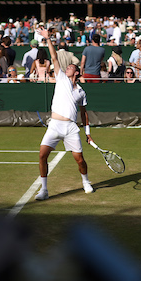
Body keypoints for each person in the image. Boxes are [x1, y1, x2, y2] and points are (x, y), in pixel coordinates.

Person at [34, 27, 95, 201]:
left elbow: (84, 114)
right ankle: (44, 190)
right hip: (54, 125)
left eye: (70, 67)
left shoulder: (81, 92)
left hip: (70, 128)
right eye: (66, 67)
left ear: (76, 72)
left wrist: (88, 133)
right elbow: (54, 57)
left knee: (80, 160)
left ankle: (85, 181)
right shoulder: (61, 78)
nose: (66, 68)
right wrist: (48, 39)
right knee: (42, 156)